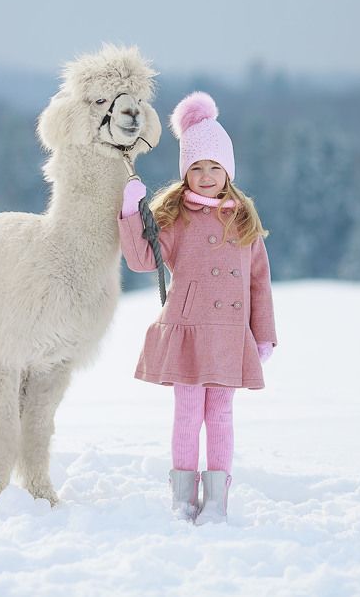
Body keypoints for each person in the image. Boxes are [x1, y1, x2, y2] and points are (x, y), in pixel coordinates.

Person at [118, 91, 277, 525]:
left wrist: (262, 333)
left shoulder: (243, 219)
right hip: (188, 329)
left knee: (220, 413)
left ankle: (216, 502)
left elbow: (259, 282)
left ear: (228, 170)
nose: (206, 176)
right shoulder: (174, 215)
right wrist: (132, 213)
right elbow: (142, 260)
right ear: (185, 171)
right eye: (196, 168)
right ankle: (183, 498)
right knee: (188, 412)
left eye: (214, 167)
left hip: (227, 333)